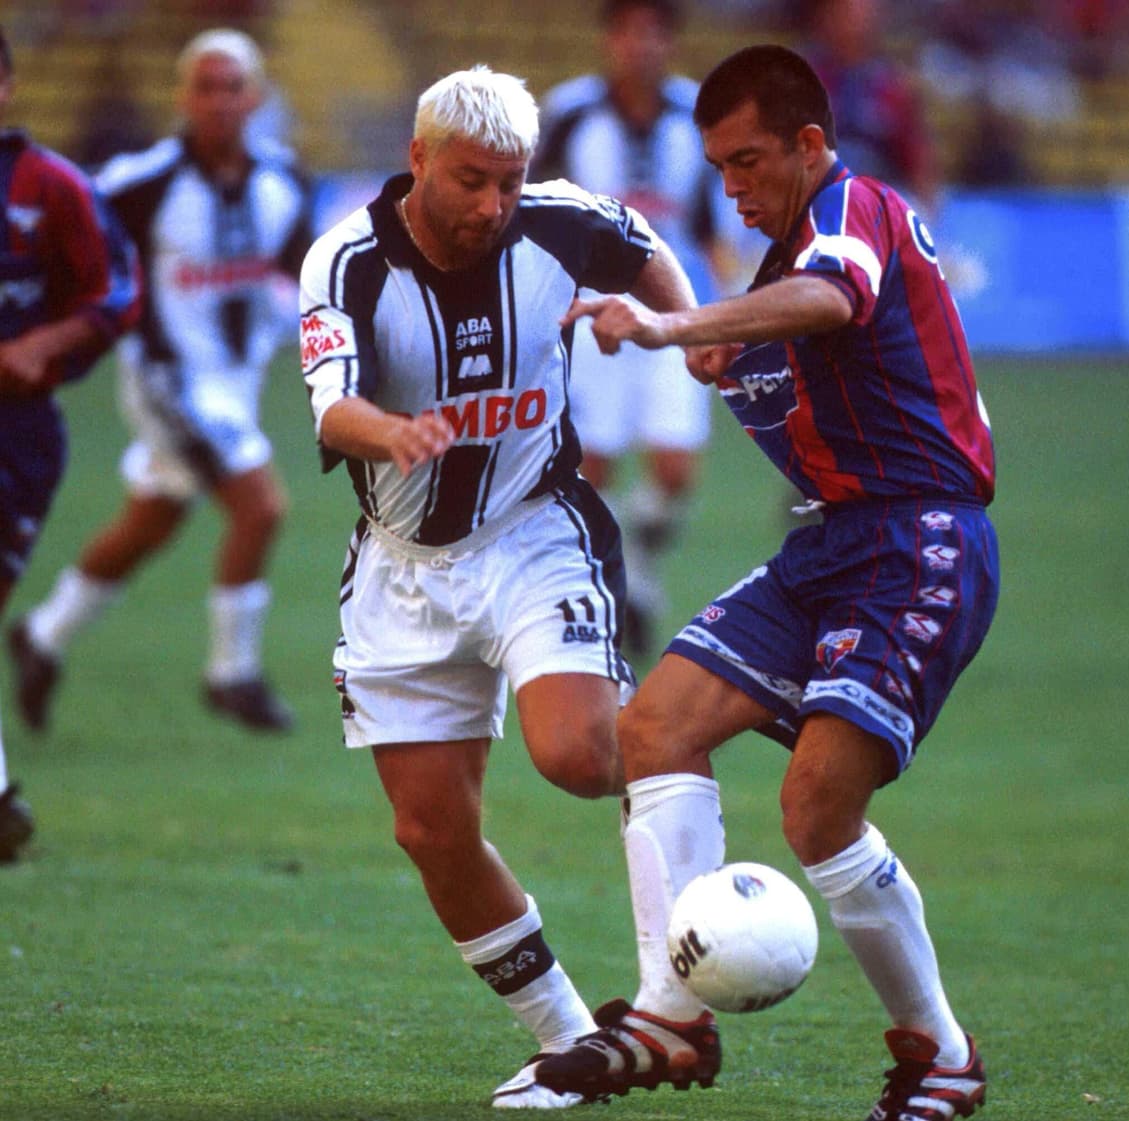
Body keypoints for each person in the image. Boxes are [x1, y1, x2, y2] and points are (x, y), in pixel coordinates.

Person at [533, 45, 998, 1121]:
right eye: (718, 168)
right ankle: (669, 1017)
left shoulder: (853, 211)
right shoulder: (782, 260)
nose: (732, 187)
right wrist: (704, 348)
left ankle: (939, 1053)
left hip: (919, 539)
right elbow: (779, 343)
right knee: (654, 727)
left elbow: (832, 300)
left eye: (748, 162)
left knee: (817, 808)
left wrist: (672, 325)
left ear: (809, 143)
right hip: (835, 544)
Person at [297, 65, 699, 1108]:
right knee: (431, 832)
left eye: (510, 182)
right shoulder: (345, 260)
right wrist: (390, 431)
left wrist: (687, 334)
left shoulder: (559, 222)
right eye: (471, 180)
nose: (493, 205)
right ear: (419, 159)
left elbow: (644, 248)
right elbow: (331, 407)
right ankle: (574, 1040)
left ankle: (681, 975)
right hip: (400, 568)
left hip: (534, 532)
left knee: (580, 754)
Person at [7, 28, 313, 733]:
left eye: (232, 87)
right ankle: (231, 673)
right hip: (168, 380)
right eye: (205, 87)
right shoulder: (140, 183)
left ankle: (43, 636)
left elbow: (310, 270)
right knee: (261, 506)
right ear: (182, 96)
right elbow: (76, 245)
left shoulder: (284, 182)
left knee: (152, 518)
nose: (219, 101)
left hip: (238, 381)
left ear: (256, 96)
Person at [531, 0, 729, 658]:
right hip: (593, 314)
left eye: (654, 33)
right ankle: (620, 584)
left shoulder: (697, 114)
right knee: (596, 464)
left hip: (673, 308)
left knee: (676, 469)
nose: (641, 45)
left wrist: (730, 297)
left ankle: (636, 573)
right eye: (629, 32)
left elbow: (706, 217)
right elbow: (535, 209)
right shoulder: (570, 112)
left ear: (669, 41)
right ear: (609, 39)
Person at [0, 24, 142, 862]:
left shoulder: (49, 186)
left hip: (15, 432)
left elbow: (115, 291)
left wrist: (42, 345)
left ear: (8, 85)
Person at [802, 0, 939, 215]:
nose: (856, 23)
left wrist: (928, 209)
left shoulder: (892, 86)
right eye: (847, 13)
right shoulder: (799, 77)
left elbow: (916, 157)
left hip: (876, 200)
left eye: (864, 14)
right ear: (827, 17)